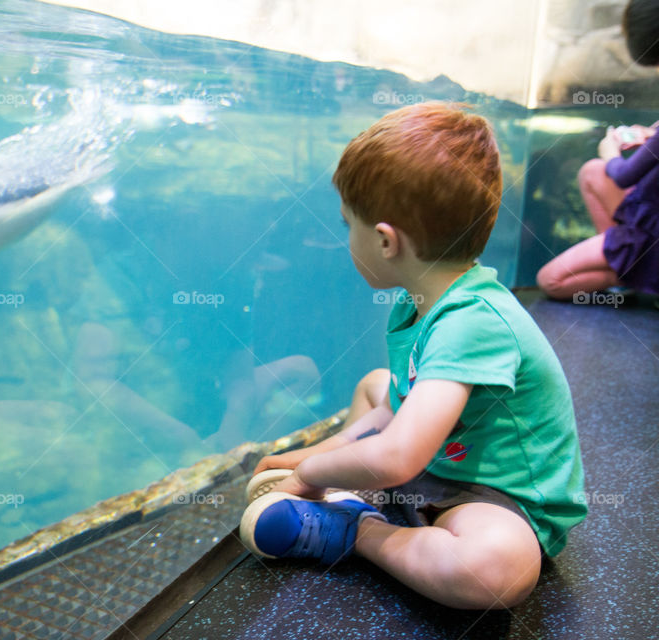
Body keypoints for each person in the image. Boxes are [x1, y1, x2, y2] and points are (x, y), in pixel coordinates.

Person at [238, 103, 587, 610]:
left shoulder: (473, 322)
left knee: (494, 572)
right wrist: (307, 457)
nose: (346, 239)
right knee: (375, 385)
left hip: (496, 495)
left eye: (346, 225)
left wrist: (312, 476)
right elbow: (395, 408)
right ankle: (359, 496)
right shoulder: (417, 302)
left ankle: (356, 532)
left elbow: (401, 454)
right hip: (436, 458)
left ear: (384, 240)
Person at [537, 0, 659, 299]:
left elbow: (625, 176)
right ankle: (627, 268)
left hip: (650, 232)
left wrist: (610, 152)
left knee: (549, 280)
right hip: (649, 213)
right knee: (592, 172)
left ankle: (639, 271)